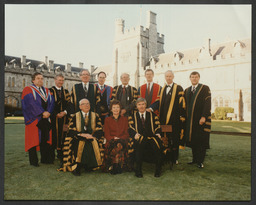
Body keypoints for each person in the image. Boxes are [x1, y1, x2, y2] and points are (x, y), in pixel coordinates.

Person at [148, 70, 186, 169]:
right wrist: (151, 108)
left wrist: (182, 117)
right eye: (167, 76)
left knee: (174, 138)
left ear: (173, 76)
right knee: (165, 137)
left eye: (170, 76)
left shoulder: (179, 88)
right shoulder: (163, 88)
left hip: (174, 119)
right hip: (164, 119)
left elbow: (182, 104)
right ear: (165, 77)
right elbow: (158, 101)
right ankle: (167, 156)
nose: (168, 78)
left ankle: (174, 158)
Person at [60, 98, 104, 176]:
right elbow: (70, 130)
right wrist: (81, 134)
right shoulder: (74, 116)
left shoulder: (96, 116)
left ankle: (90, 165)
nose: (87, 105)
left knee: (92, 142)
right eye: (84, 104)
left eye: (88, 104)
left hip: (92, 137)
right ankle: (77, 166)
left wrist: (92, 136)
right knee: (80, 143)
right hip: (79, 137)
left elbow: (100, 129)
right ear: (80, 106)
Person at [21, 72, 54, 166]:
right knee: (33, 140)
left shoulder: (47, 90)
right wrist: (42, 112)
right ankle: (34, 161)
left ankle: (45, 159)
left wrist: (48, 112)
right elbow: (30, 103)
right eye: (38, 78)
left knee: (45, 139)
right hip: (34, 118)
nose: (40, 80)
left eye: (42, 78)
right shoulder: (28, 89)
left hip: (46, 118)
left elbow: (52, 103)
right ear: (33, 80)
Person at [129, 98, 163, 178]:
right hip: (140, 137)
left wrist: (158, 133)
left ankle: (158, 169)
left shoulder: (153, 115)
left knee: (157, 145)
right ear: (136, 106)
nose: (141, 106)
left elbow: (158, 126)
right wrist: (135, 134)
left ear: (146, 105)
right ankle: (138, 170)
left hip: (151, 137)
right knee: (139, 146)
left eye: (143, 104)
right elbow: (130, 127)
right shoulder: (132, 116)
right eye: (139, 104)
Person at [183, 71, 211, 168]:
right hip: (190, 121)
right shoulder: (186, 90)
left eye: (196, 77)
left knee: (201, 141)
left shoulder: (204, 88)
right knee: (193, 141)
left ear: (199, 78)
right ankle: (194, 160)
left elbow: (208, 103)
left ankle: (200, 161)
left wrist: (204, 116)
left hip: (200, 119)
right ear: (190, 78)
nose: (194, 79)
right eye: (192, 77)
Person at [102, 100, 129, 174]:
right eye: (114, 107)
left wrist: (120, 138)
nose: (116, 109)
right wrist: (113, 138)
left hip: (122, 140)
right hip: (111, 141)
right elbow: (107, 134)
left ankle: (115, 165)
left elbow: (126, 133)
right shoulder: (107, 119)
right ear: (111, 109)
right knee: (117, 145)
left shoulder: (125, 119)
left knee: (119, 144)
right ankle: (117, 165)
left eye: (117, 107)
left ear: (120, 109)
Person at [50, 74, 71, 165]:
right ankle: (51, 155)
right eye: (59, 80)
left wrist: (65, 112)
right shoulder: (50, 91)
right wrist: (56, 114)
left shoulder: (66, 92)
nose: (61, 82)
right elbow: (49, 104)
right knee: (54, 135)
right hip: (53, 118)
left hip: (64, 118)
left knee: (63, 135)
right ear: (55, 80)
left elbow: (70, 104)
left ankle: (61, 154)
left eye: (62, 80)